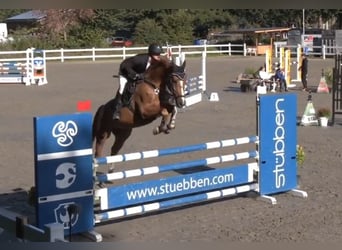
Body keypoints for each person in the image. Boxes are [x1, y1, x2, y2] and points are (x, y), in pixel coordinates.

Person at [113, 43, 163, 120]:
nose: (159, 56)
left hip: (139, 74)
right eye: (157, 54)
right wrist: (134, 75)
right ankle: (116, 110)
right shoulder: (140, 59)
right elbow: (125, 65)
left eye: (159, 54)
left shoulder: (155, 62)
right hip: (125, 72)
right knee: (122, 88)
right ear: (151, 54)